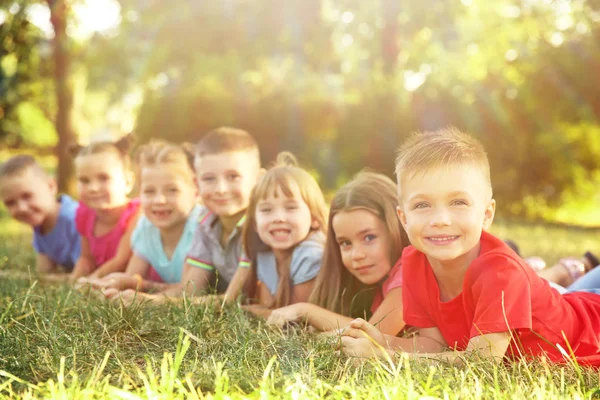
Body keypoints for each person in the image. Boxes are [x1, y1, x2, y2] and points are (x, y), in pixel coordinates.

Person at [341, 128, 600, 366]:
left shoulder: (500, 272)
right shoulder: (414, 261)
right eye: (422, 205)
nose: (440, 219)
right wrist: (380, 341)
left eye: (458, 202)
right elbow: (433, 345)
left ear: (486, 214)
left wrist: (384, 357)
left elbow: (481, 363)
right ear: (404, 218)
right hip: (568, 302)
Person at [121, 127, 263, 304]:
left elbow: (232, 301)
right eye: (209, 179)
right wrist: (142, 291)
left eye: (233, 176)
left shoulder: (259, 226)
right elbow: (191, 290)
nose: (220, 189)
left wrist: (151, 301)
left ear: (259, 180)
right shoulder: (206, 223)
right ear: (197, 183)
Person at [267, 171, 408, 335]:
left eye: (369, 237)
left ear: (397, 229)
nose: (357, 255)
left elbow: (373, 334)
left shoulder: (409, 272)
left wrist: (305, 310)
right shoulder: (381, 285)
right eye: (345, 243)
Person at [80, 140, 202, 296]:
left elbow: (190, 290)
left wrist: (144, 298)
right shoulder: (146, 227)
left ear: (196, 191)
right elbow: (133, 278)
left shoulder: (200, 226)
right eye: (149, 191)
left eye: (172, 190)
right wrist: (111, 285)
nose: (159, 200)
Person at [242, 152, 328, 317]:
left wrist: (247, 311)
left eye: (291, 208)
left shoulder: (311, 255)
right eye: (267, 210)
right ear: (254, 223)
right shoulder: (265, 253)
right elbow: (267, 306)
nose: (278, 218)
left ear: (315, 218)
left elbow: (296, 319)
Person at [71, 135, 141, 280]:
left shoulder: (137, 213)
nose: (93, 188)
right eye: (84, 180)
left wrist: (90, 281)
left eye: (103, 178)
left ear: (127, 182)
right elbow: (86, 258)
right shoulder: (85, 214)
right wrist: (75, 277)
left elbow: (121, 261)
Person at [0, 155, 80, 275]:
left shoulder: (74, 219)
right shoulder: (40, 225)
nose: (21, 208)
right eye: (10, 203)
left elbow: (83, 277)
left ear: (51, 186)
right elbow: (44, 272)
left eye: (27, 196)